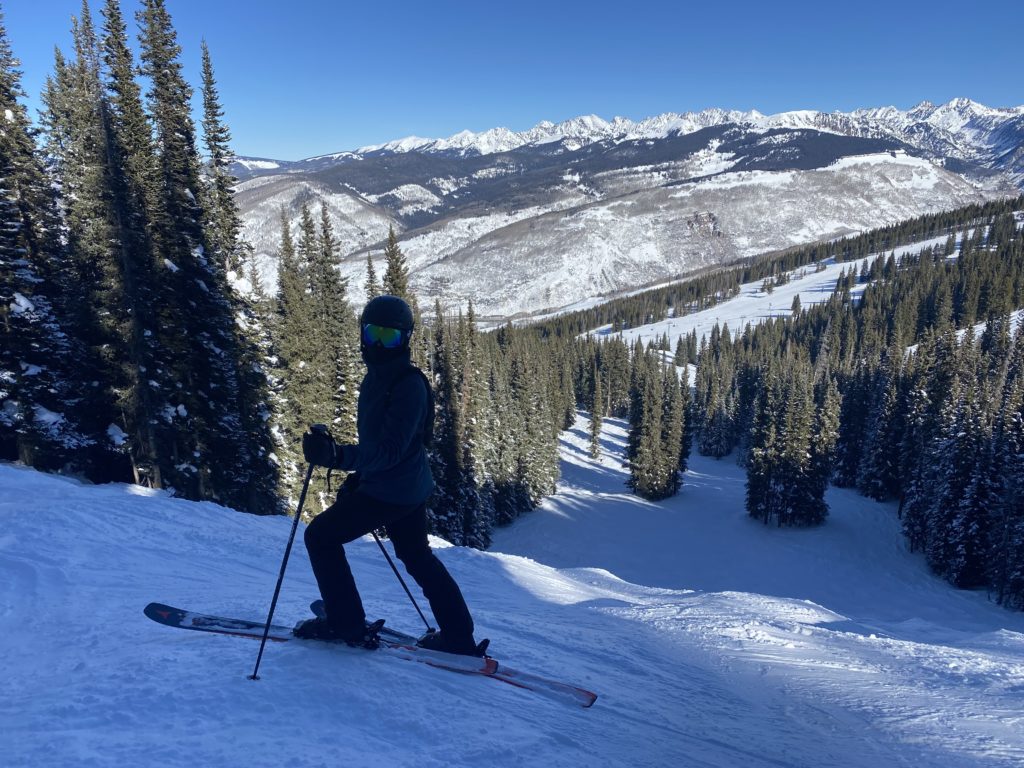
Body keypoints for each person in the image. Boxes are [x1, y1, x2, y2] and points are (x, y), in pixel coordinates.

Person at [293, 294, 481, 656]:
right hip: (401, 486)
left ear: (405, 339)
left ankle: (344, 623)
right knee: (416, 556)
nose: (380, 344)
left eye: (390, 337)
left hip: (393, 491)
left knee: (320, 538)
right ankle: (458, 637)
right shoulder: (377, 378)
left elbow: (392, 449)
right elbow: (383, 447)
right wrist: (358, 477)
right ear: (362, 334)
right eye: (374, 334)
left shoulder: (408, 385)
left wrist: (338, 456)